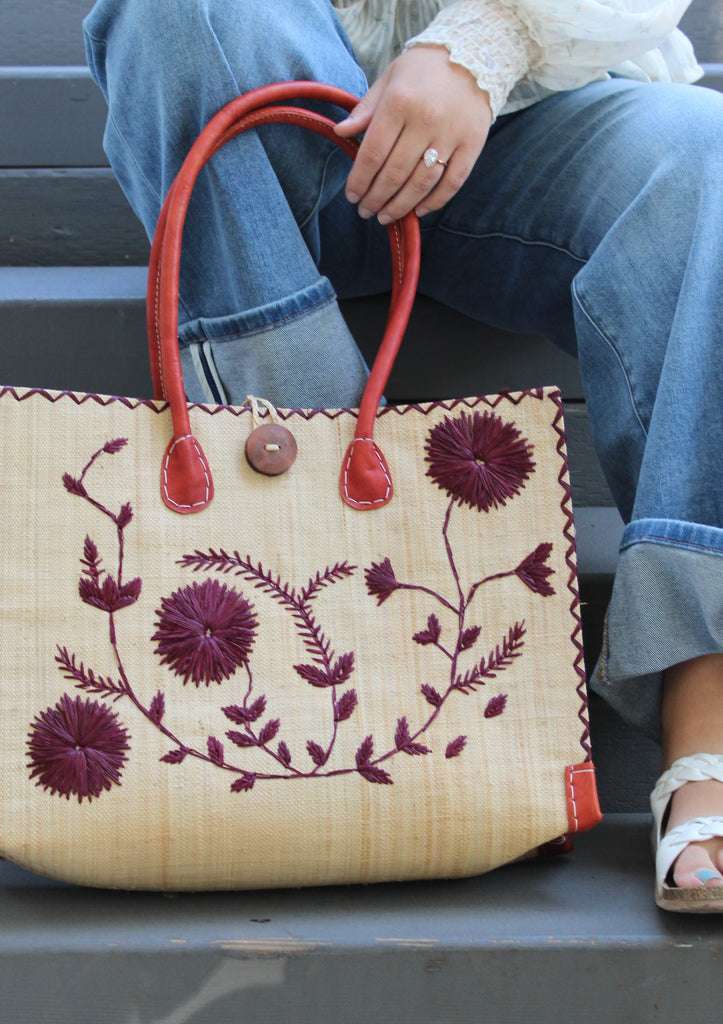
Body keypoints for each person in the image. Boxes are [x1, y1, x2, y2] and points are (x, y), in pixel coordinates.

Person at [82, 0, 723, 911]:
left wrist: (484, 41)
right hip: (283, 105)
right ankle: (314, 555)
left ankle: (711, 725)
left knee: (709, 156)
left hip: (539, 113)